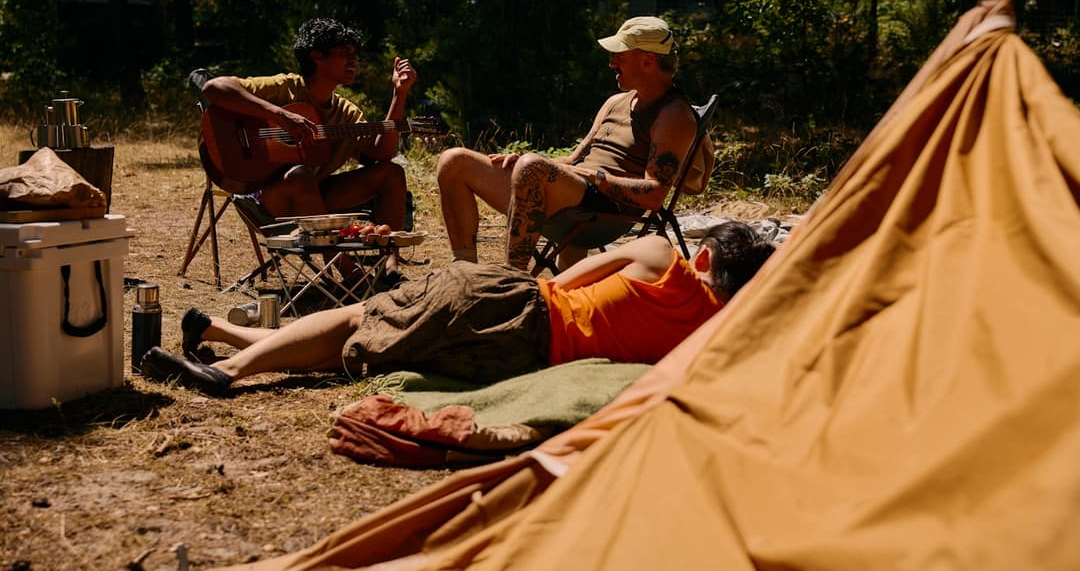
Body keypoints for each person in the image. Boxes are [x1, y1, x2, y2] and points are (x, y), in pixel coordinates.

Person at [139, 221, 776, 396]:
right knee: (383, 336)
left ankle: (230, 369)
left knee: (368, 315)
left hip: (517, 306)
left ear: (703, 260)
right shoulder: (715, 335)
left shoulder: (661, 254)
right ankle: (221, 333)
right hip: (519, 358)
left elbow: (568, 276)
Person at [436, 16, 699, 271]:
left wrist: (592, 177)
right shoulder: (615, 102)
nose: (612, 63)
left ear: (648, 60)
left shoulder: (673, 115)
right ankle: (464, 272)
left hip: (603, 213)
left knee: (532, 167)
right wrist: (531, 162)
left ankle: (511, 281)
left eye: (620, 55)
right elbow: (573, 160)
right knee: (454, 161)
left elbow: (654, 194)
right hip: (570, 191)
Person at [202, 18, 417, 274]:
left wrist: (399, 94)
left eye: (354, 54)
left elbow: (381, 153)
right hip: (271, 199)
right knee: (300, 174)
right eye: (343, 54)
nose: (353, 60)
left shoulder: (345, 112)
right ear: (317, 57)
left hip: (318, 198)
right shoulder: (286, 88)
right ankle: (350, 272)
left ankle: (388, 265)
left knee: (391, 173)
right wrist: (281, 116)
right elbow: (213, 88)